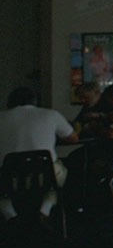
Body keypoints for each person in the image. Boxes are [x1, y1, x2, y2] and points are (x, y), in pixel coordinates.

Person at [0, 86, 78, 222]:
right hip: (45, 173)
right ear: (35, 101)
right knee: (56, 179)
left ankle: (10, 214)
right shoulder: (51, 114)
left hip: (9, 174)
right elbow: (73, 138)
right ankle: (45, 209)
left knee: (2, 190)